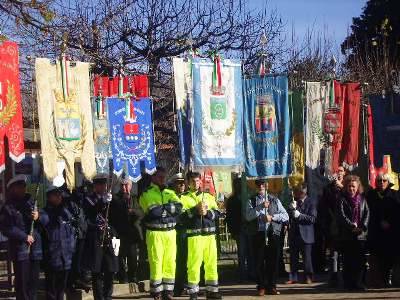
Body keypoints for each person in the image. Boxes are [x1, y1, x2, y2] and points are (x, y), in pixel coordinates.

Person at [0, 174, 49, 300]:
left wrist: (38, 217)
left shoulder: (32, 202)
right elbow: (6, 228)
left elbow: (45, 219)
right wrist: (24, 237)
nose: (23, 189)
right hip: (20, 251)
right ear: (12, 189)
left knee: (33, 285)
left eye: (24, 186)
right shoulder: (8, 207)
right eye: (19, 186)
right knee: (22, 286)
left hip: (35, 251)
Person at [139, 167, 183, 300]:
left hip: (170, 232)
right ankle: (157, 292)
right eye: (159, 177)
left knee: (170, 262)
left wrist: (163, 209)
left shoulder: (170, 192)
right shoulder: (146, 193)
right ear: (153, 177)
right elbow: (153, 212)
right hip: (155, 233)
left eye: (164, 176)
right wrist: (169, 209)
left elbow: (179, 208)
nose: (162, 179)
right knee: (156, 262)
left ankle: (168, 292)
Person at [181, 172, 222, 300]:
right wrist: (194, 210)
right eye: (193, 181)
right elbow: (181, 217)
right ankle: (193, 292)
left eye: (198, 181)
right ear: (188, 182)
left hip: (209, 236)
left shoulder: (208, 196)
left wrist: (207, 212)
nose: (196, 183)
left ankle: (212, 291)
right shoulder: (183, 198)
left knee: (211, 263)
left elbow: (217, 213)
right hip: (195, 236)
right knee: (193, 264)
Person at [245, 179, 289, 296]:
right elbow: (248, 216)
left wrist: (272, 217)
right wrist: (259, 207)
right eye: (259, 185)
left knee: (273, 261)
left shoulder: (274, 199)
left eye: (263, 184)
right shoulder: (251, 200)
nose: (261, 187)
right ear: (256, 186)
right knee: (259, 261)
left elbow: (285, 216)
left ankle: (272, 285)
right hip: (258, 234)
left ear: (267, 185)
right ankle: (261, 286)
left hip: (272, 233)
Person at [83, 174, 119, 300]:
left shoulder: (111, 199)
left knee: (111, 268)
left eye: (104, 184)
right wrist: (102, 202)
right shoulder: (88, 199)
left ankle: (108, 296)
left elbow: (118, 216)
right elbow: (91, 213)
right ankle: (99, 297)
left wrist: (112, 201)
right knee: (97, 270)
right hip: (96, 237)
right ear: (95, 186)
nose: (102, 187)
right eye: (99, 185)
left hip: (110, 236)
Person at [366, 172, 400, 287]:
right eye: (379, 180)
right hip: (376, 232)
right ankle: (381, 280)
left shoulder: (395, 195)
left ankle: (390, 278)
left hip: (392, 232)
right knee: (378, 257)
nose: (381, 183)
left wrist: (389, 222)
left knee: (391, 256)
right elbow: (367, 212)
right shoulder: (370, 195)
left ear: (388, 182)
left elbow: (397, 212)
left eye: (384, 180)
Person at [43, 185, 77, 300]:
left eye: (59, 195)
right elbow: (46, 223)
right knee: (52, 291)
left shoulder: (65, 212)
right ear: (49, 197)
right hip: (53, 258)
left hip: (65, 258)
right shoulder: (45, 213)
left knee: (61, 291)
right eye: (55, 195)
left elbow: (71, 232)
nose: (59, 197)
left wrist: (71, 248)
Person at [337, 175, 369, 290]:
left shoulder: (363, 199)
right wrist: (351, 225)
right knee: (348, 261)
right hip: (347, 235)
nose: (352, 189)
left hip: (360, 236)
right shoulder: (342, 199)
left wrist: (362, 227)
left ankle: (359, 283)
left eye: (354, 186)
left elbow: (366, 213)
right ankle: (348, 284)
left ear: (358, 187)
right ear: (346, 187)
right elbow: (341, 216)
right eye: (350, 186)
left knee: (360, 262)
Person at [110, 176, 144, 284]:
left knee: (133, 257)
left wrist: (133, 211)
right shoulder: (115, 198)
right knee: (120, 257)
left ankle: (132, 276)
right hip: (120, 232)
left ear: (131, 186)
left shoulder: (134, 198)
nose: (125, 188)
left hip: (132, 233)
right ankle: (122, 277)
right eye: (122, 185)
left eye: (127, 185)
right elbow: (113, 215)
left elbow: (141, 213)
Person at [319, 166, 346, 286]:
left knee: (346, 253)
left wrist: (342, 188)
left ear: (344, 173)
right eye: (336, 171)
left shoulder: (349, 186)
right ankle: (333, 278)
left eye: (340, 171)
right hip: (332, 225)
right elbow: (323, 207)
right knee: (333, 254)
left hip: (346, 225)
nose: (338, 173)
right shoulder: (327, 188)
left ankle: (346, 277)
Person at [287, 183, 317, 284]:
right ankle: (293, 277)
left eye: (300, 192)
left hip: (306, 234)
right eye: (297, 192)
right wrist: (291, 209)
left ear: (305, 192)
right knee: (293, 258)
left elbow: (312, 219)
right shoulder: (294, 201)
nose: (298, 194)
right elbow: (289, 216)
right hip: (294, 233)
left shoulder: (311, 202)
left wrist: (300, 215)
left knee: (307, 258)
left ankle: (309, 276)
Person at [168, 173, 188, 297]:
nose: (181, 185)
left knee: (185, 260)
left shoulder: (188, 197)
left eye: (183, 183)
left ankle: (183, 285)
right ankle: (175, 287)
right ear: (174, 184)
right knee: (174, 260)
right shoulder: (170, 196)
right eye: (179, 183)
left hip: (186, 232)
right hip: (173, 231)